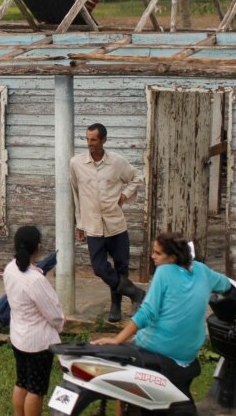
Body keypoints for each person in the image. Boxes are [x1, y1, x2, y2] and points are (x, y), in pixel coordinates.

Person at [92, 233, 230, 402]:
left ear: (172, 257)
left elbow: (147, 312)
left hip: (157, 347)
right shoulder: (202, 270)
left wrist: (118, 339)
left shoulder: (164, 272)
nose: (152, 256)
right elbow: (227, 285)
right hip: (188, 353)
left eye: (157, 253)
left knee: (125, 388)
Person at [70, 122, 145, 322]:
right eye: (87, 139)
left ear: (103, 140)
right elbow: (76, 195)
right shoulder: (76, 164)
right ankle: (136, 293)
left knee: (121, 266)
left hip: (116, 224)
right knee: (99, 268)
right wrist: (79, 223)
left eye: (93, 140)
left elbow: (138, 177)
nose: (90, 143)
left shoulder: (117, 162)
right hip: (93, 225)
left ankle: (116, 306)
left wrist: (124, 196)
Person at [3, 225, 64, 416]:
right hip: (38, 343)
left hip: (19, 337)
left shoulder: (10, 269)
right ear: (38, 247)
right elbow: (54, 314)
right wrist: (61, 323)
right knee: (35, 390)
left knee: (21, 382)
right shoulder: (35, 280)